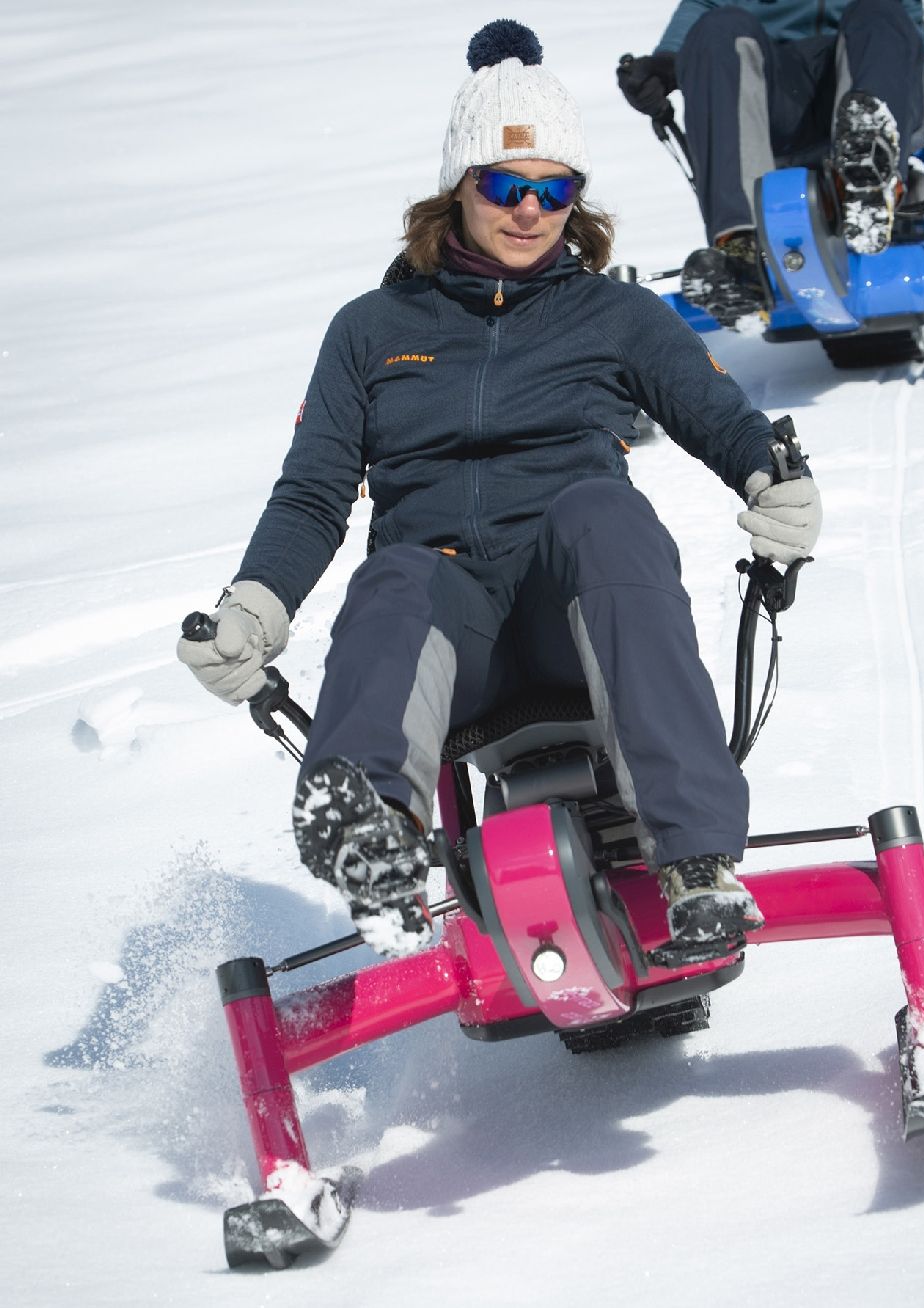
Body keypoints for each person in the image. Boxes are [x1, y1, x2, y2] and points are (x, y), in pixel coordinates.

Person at [177, 19, 822, 960]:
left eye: (554, 189)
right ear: (459, 186)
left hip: (583, 612)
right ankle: (376, 841)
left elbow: (712, 410)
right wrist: (257, 604)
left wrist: (770, 472)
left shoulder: (615, 313)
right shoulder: (369, 329)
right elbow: (314, 493)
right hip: (451, 633)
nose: (530, 210)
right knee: (396, 574)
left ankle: (695, 863)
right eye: (505, 186)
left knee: (605, 511)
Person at [617, 0, 924, 326]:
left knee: (878, 11)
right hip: (776, 93)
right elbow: (704, 6)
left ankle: (867, 181)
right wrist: (668, 60)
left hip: (880, 70)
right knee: (719, 27)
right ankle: (740, 250)